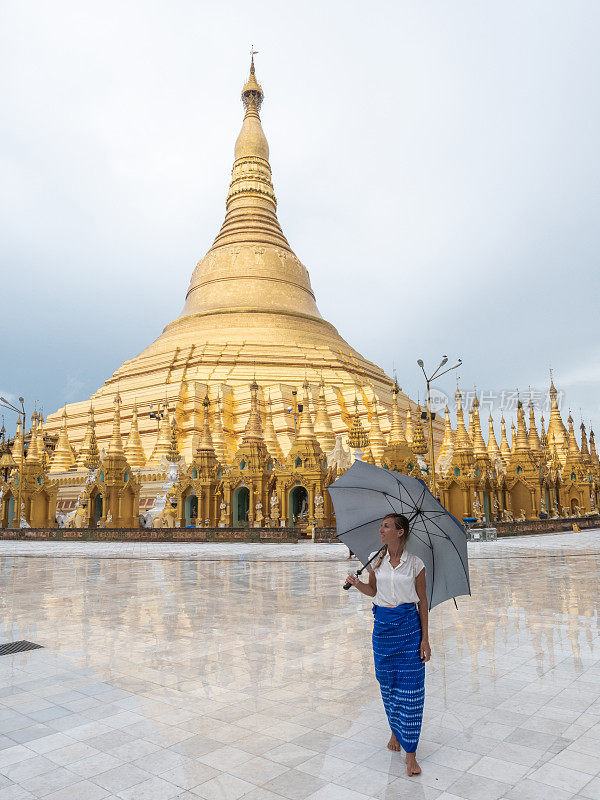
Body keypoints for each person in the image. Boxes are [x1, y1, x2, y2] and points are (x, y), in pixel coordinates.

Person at [346, 513, 430, 776]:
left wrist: (425, 639)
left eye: (386, 526)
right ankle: (395, 728)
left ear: (400, 532)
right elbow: (374, 592)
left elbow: (422, 603)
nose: (380, 530)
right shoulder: (375, 559)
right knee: (388, 682)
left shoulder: (416, 564)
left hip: (408, 628)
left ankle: (411, 753)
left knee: (411, 688)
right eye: (381, 526)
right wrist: (358, 583)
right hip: (383, 629)